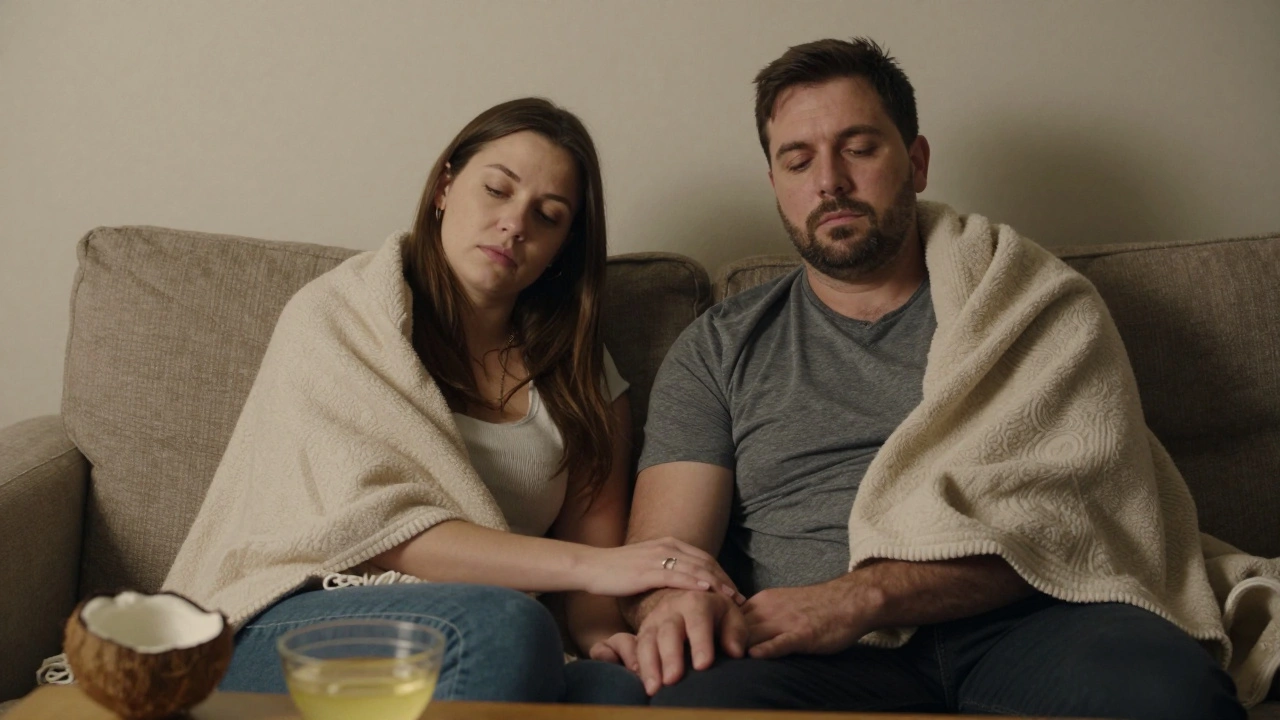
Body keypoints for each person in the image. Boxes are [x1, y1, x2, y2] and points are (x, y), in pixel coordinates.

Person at [604, 39, 1252, 718]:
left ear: (915, 162)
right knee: (697, 705)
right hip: (810, 655)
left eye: (858, 148)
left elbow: (1074, 516)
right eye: (797, 160)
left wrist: (862, 598)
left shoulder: (1031, 305)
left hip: (1035, 622)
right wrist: (677, 609)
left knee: (1168, 693)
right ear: (775, 185)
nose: (829, 182)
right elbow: (663, 555)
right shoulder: (718, 348)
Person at [163, 97, 742, 705]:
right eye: (497, 190)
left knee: (612, 691)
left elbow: (593, 574)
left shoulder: (582, 370)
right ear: (445, 186)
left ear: (560, 249)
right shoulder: (341, 318)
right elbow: (376, 526)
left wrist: (605, 640)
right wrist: (599, 569)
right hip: (295, 609)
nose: (516, 224)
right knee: (505, 627)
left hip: (500, 628)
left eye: (547, 216)